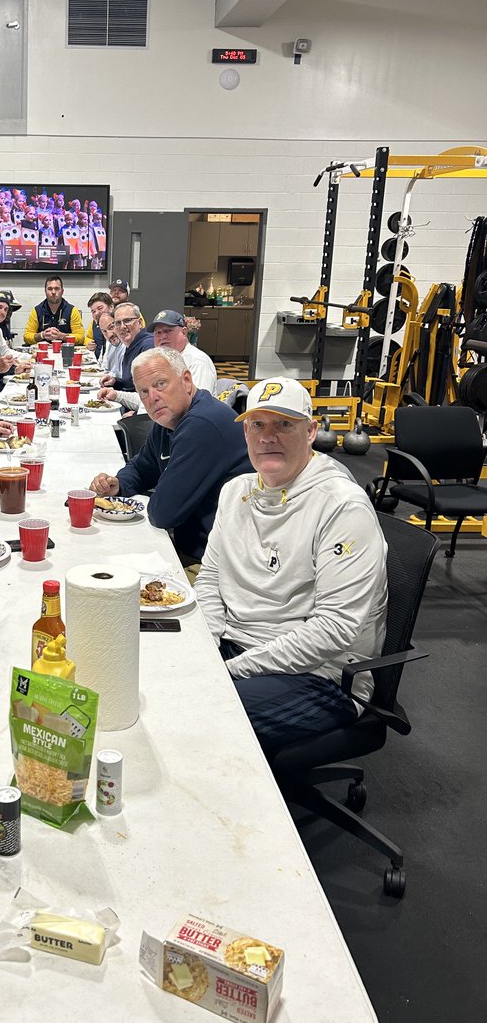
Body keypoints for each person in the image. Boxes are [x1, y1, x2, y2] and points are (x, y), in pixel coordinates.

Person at [195, 376, 388, 757]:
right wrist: (207, 645)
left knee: (199, 716)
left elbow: (334, 630)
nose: (268, 436)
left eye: (284, 424)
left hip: (322, 676)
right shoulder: (236, 492)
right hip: (239, 649)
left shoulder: (340, 506)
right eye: (257, 424)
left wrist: (230, 670)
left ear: (312, 431)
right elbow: (211, 578)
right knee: (158, 680)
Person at [90, 347, 251, 575]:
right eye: (143, 392)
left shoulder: (202, 424)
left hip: (217, 565)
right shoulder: (170, 419)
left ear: (186, 380)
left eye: (161, 384)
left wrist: (153, 493)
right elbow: (141, 467)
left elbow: (163, 513)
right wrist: (118, 484)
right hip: (194, 548)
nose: (153, 398)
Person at [114, 309, 217, 412]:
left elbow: (197, 408)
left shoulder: (197, 362)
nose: (163, 337)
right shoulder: (164, 360)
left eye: (168, 331)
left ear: (184, 332)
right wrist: (116, 395)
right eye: (158, 332)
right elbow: (147, 400)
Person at [98, 301, 153, 396]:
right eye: (118, 323)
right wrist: (115, 382)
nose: (122, 326)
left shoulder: (148, 346)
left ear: (140, 323)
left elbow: (149, 395)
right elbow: (130, 385)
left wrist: (118, 397)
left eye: (127, 320)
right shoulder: (131, 344)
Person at [23, 275, 85, 344]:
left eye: (57, 288)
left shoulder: (72, 310)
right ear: (45, 291)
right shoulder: (37, 311)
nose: (53, 292)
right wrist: (42, 335)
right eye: (50, 289)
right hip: (43, 352)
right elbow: (26, 337)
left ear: (62, 291)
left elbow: (81, 338)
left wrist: (61, 336)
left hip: (65, 352)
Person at [85, 290, 114, 356]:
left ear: (111, 307)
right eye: (93, 311)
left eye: (100, 308)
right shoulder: (94, 324)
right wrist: (87, 342)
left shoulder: (119, 326)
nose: (97, 313)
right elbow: (88, 338)